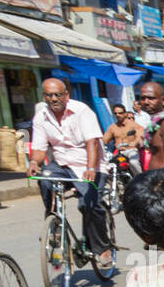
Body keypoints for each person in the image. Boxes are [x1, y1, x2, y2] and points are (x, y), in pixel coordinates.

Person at [28, 77, 113, 268]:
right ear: (44, 96)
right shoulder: (41, 116)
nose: (53, 99)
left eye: (58, 94)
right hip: (63, 164)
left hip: (90, 164)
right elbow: (40, 147)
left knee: (89, 205)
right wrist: (34, 161)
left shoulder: (82, 111)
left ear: (66, 95)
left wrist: (91, 168)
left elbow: (92, 142)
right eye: (49, 95)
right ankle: (54, 222)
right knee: (45, 179)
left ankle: (102, 248)